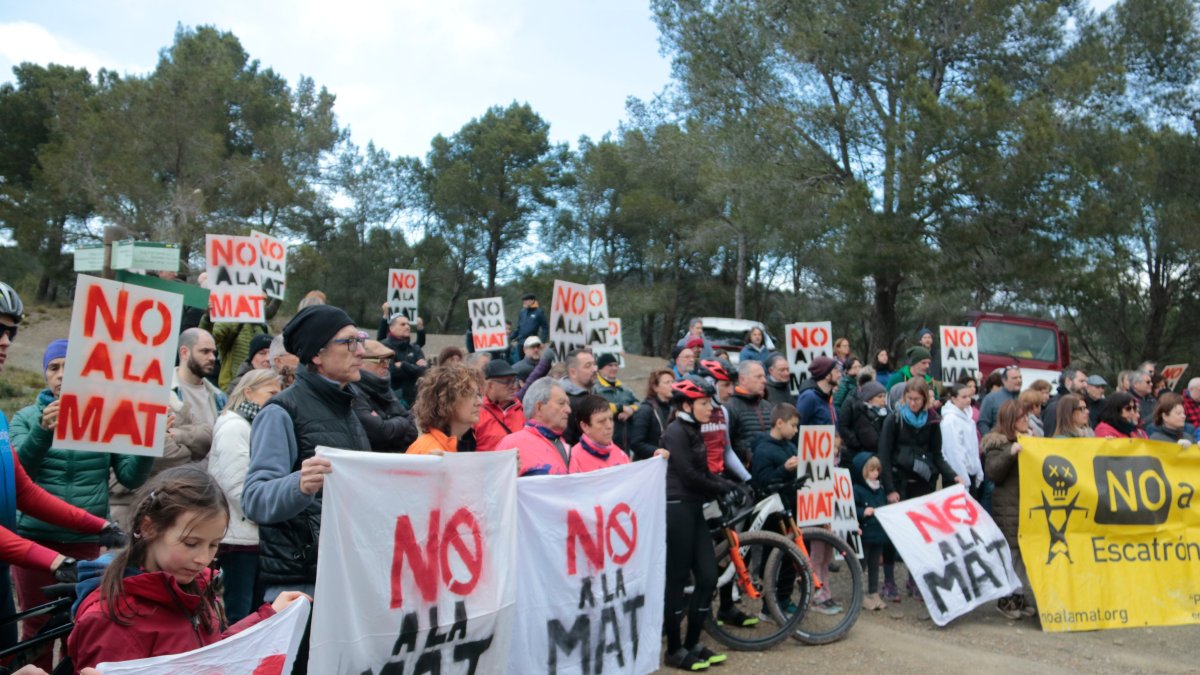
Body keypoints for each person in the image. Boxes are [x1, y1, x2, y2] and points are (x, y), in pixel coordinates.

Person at [67, 467, 309, 669]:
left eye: (214, 545)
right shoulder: (110, 617)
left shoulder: (197, 587)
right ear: (149, 528)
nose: (203, 558)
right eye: (191, 543)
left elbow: (210, 655)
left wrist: (268, 618)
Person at [8, 340, 154, 665]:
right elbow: (17, 476)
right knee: (36, 626)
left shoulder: (104, 417)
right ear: (45, 374)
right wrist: (43, 432)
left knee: (82, 625)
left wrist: (149, 441)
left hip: (86, 542)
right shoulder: (25, 418)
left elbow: (130, 477)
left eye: (68, 367)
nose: (61, 375)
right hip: (34, 541)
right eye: (53, 367)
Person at [243, 305, 370, 608]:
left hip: (344, 578)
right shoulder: (280, 413)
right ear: (317, 354)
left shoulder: (348, 409)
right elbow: (255, 500)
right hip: (299, 590)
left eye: (361, 340)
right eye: (350, 342)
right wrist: (299, 484)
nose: (362, 351)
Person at [661, 376, 735, 671]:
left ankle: (692, 642)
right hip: (677, 508)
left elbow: (703, 473)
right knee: (677, 581)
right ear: (687, 404)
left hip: (694, 508)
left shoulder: (694, 429)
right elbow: (690, 475)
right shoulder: (675, 431)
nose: (710, 409)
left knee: (707, 577)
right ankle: (674, 649)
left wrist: (729, 483)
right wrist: (721, 487)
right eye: (704, 404)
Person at [878, 378, 963, 598]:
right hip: (898, 482)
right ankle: (888, 581)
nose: (913, 403)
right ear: (904, 398)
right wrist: (889, 489)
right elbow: (884, 456)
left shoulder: (933, 422)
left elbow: (937, 454)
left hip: (922, 485)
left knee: (918, 535)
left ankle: (914, 579)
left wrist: (953, 476)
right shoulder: (894, 420)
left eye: (917, 399)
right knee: (893, 534)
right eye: (909, 399)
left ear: (925, 399)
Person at [208, 369, 281, 623]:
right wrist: (263, 512)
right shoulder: (234, 426)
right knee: (239, 614)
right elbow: (236, 483)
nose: (276, 399)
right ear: (248, 392)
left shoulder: (249, 424)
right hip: (239, 536)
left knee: (250, 611)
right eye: (271, 393)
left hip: (249, 533)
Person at [981, 401, 1037, 620]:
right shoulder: (998, 444)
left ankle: (1021, 597)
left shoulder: (1031, 439)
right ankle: (1006, 600)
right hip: (1009, 506)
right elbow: (993, 473)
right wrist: (1010, 454)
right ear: (1011, 420)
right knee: (1011, 554)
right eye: (1022, 417)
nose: (1026, 421)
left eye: (1027, 417)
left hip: (1027, 505)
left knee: (1023, 555)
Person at [350, 339, 418, 453]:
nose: (386, 364)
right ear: (360, 361)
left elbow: (413, 432)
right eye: (379, 360)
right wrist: (402, 421)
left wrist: (388, 425)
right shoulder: (352, 391)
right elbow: (380, 433)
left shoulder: (385, 388)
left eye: (387, 360)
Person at [500, 378, 573, 476]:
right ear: (539, 407)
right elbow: (498, 487)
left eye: (568, 404)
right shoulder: (511, 445)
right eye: (561, 403)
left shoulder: (566, 445)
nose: (568, 410)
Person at [408, 364, 483, 455]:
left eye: (478, 395)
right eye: (471, 395)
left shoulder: (468, 442)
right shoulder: (426, 450)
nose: (480, 402)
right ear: (448, 401)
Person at [853, 454, 896, 610]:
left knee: (874, 565)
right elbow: (851, 509)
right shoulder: (857, 490)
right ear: (863, 471)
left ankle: (874, 592)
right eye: (872, 470)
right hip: (864, 534)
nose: (876, 473)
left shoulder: (880, 489)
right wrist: (863, 512)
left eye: (877, 470)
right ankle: (859, 594)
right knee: (861, 565)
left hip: (878, 534)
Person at [726, 359, 774, 467]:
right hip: (743, 475)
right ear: (742, 379)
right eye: (758, 377)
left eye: (764, 376)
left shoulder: (767, 406)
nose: (764, 381)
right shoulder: (730, 407)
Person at [568, 395, 634, 473]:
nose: (609, 426)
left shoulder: (621, 455)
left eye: (611, 419)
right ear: (585, 426)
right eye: (602, 421)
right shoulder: (574, 459)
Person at [474, 360, 526, 452]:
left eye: (514, 381)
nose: (514, 386)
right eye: (507, 382)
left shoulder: (522, 410)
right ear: (490, 385)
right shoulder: (475, 413)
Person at [939, 383, 984, 491]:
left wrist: (978, 470)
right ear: (953, 399)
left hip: (970, 473)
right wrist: (964, 478)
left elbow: (974, 447)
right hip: (958, 476)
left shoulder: (969, 419)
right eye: (964, 397)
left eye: (969, 396)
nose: (968, 400)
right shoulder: (950, 420)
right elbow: (953, 452)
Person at [593, 353, 640, 450]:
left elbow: (639, 403)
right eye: (609, 365)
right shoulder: (594, 388)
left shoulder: (624, 387)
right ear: (600, 369)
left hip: (628, 443)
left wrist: (630, 411)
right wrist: (620, 407)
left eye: (615, 365)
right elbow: (595, 407)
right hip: (604, 444)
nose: (614, 368)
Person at [381, 313, 428, 408]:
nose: (407, 327)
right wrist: (415, 367)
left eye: (408, 324)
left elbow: (424, 371)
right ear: (391, 328)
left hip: (416, 403)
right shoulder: (384, 347)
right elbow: (390, 372)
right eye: (402, 324)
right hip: (392, 403)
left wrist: (403, 365)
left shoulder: (415, 348)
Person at [628, 369, 675, 461]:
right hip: (651, 466)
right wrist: (656, 451)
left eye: (673, 382)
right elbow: (636, 443)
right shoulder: (645, 410)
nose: (672, 385)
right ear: (655, 387)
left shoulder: (675, 408)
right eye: (667, 382)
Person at [559, 349, 597, 446]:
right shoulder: (564, 402)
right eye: (588, 366)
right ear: (573, 372)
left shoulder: (594, 394)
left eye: (594, 364)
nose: (594, 369)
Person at [840, 381, 888, 459]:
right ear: (869, 399)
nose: (883, 400)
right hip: (866, 456)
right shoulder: (862, 414)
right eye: (879, 397)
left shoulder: (884, 413)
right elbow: (872, 442)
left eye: (884, 396)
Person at [795, 356, 840, 426]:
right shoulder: (809, 397)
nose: (840, 375)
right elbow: (798, 426)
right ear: (827, 376)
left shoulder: (828, 396)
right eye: (836, 372)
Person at [978, 365, 1022, 436]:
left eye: (1020, 377)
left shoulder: (1024, 398)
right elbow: (983, 423)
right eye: (1014, 378)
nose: (1019, 380)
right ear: (1004, 381)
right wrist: (991, 441)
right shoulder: (991, 398)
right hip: (1000, 444)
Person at [510, 293, 549, 362]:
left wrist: (543, 341)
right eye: (524, 300)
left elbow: (545, 327)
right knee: (520, 362)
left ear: (532, 300)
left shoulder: (539, 312)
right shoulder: (522, 312)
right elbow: (518, 328)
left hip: (532, 342)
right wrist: (510, 337)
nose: (525, 302)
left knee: (531, 361)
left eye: (527, 300)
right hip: (521, 342)